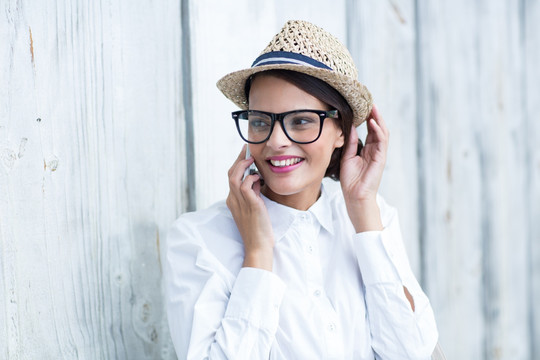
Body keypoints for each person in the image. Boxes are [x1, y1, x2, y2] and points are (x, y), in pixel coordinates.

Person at [163, 20, 439, 359]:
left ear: (343, 131)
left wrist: (364, 209)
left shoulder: (375, 220)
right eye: (261, 121)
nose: (276, 142)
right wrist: (259, 254)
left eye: (302, 120)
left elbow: (412, 354)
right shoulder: (198, 241)